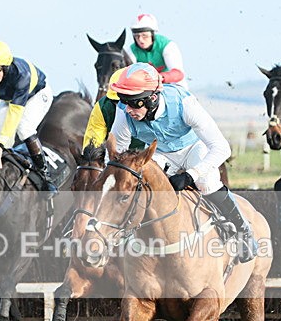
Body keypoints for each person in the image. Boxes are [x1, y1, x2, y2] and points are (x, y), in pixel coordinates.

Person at [109, 63, 257, 263]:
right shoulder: (124, 112)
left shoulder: (183, 103)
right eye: (124, 101)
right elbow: (118, 154)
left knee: (206, 183)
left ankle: (242, 231)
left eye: (134, 103)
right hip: (160, 154)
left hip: (193, 148)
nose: (128, 109)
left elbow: (222, 148)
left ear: (152, 98)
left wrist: (190, 175)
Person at [0, 39, 56, 191]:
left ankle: (45, 176)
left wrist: (0, 145)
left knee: (24, 128)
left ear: (5, 67)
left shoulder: (21, 75)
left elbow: (15, 113)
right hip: (11, 99)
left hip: (38, 95)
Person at [83, 68, 144, 151]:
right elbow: (93, 141)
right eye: (117, 102)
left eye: (128, 102)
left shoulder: (153, 105)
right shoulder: (103, 107)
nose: (124, 108)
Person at [124, 14, 188, 89]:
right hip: (147, 87)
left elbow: (178, 74)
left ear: (152, 34)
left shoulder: (167, 46)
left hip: (171, 85)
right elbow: (129, 75)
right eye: (137, 36)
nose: (140, 40)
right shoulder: (131, 50)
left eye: (144, 36)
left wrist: (160, 78)